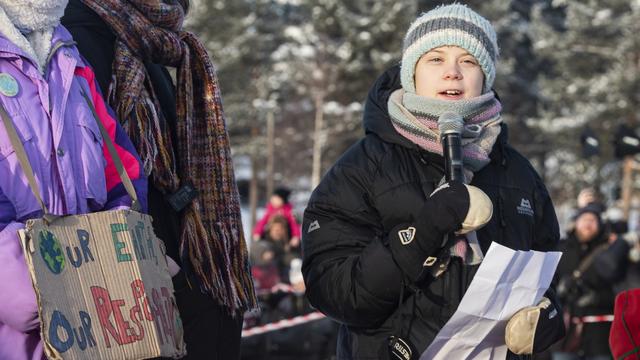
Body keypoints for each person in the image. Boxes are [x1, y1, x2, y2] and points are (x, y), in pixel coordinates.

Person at [301, 4, 565, 359]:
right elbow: (334, 292)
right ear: (412, 73)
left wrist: (547, 316)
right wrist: (421, 234)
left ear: (485, 75)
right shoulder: (363, 166)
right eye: (436, 59)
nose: (453, 72)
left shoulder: (518, 173)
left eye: (469, 60)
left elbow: (546, 277)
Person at [61, 1, 256, 359]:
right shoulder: (78, 36)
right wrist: (167, 268)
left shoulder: (150, 42)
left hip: (190, 270)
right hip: (139, 287)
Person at [0, 1, 147, 359]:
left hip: (93, 325)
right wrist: (39, 289)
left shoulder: (69, 55)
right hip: (21, 325)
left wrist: (114, 259)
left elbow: (120, 168)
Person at [554, 205, 615, 360]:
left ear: (600, 224)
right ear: (576, 222)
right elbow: (546, 286)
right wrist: (559, 291)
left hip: (600, 337)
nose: (588, 224)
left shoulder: (610, 250)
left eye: (593, 220)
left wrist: (597, 297)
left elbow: (623, 290)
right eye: (584, 219)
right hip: (565, 335)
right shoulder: (561, 248)